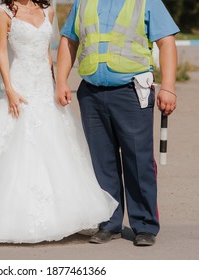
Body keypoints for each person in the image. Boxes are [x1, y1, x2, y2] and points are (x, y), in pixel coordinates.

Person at [0, 0, 118, 245]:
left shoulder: (48, 11)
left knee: (57, 148)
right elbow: (1, 51)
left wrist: (56, 83)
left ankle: (66, 217)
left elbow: (47, 52)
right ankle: (8, 216)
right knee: (17, 146)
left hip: (44, 85)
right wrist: (9, 89)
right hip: (20, 83)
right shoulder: (2, 13)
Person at [56, 0, 179, 246]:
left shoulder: (146, 2)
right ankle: (108, 222)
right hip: (91, 92)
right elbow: (69, 41)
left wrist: (169, 87)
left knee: (138, 159)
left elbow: (166, 42)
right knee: (101, 162)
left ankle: (144, 225)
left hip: (132, 91)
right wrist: (60, 81)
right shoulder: (84, 3)